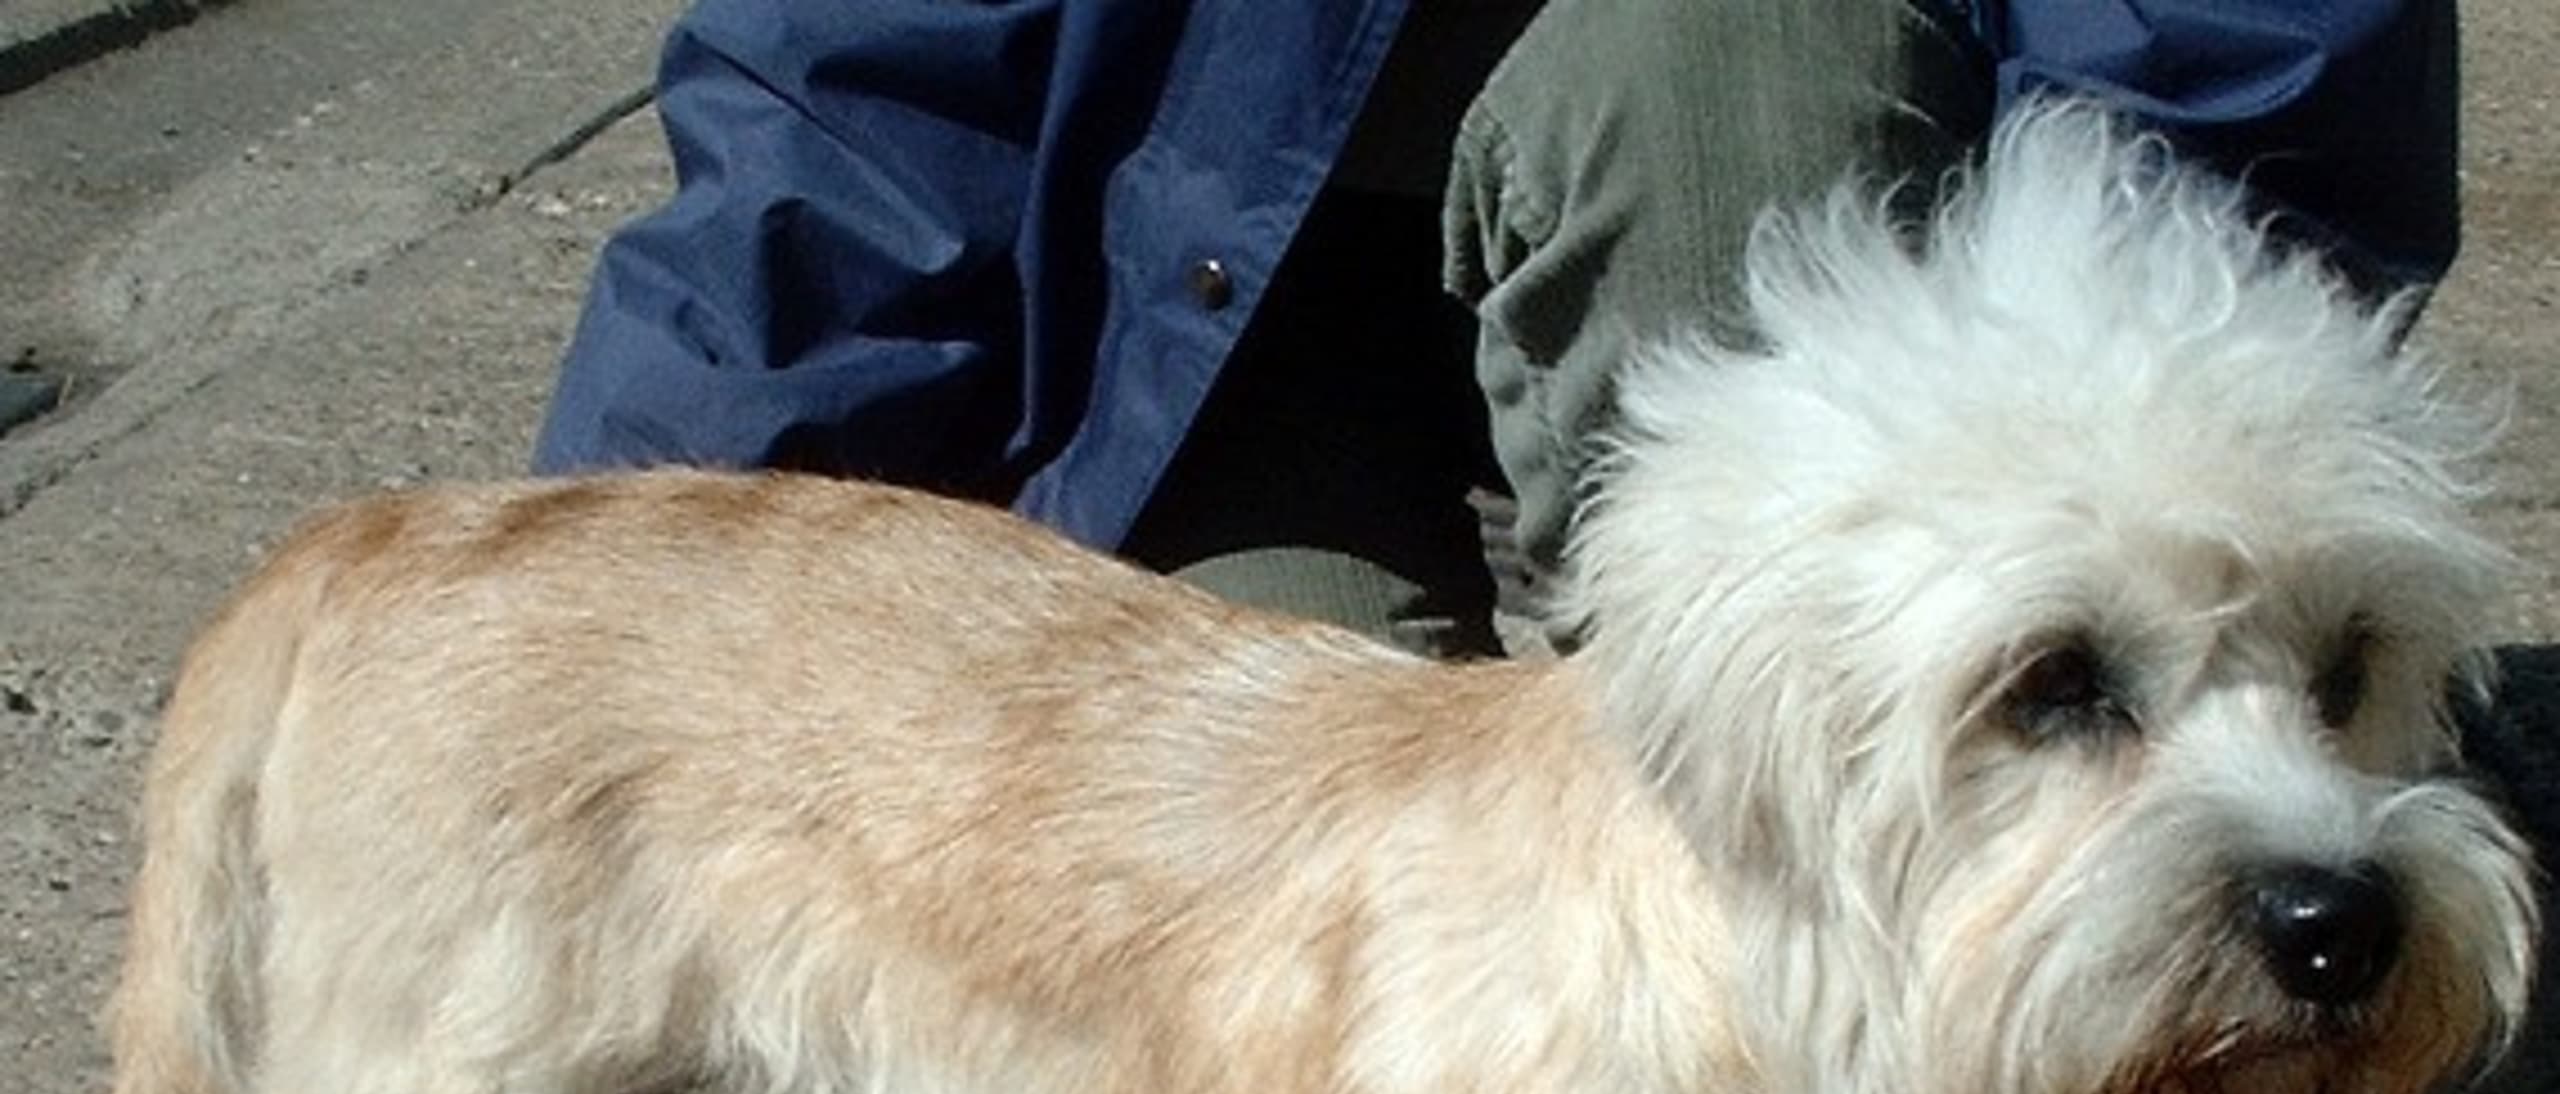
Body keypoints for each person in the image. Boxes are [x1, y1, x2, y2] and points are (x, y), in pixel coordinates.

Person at [533, 0, 2461, 656]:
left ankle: (1829, 869)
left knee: (1718, 58)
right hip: (1235, 294)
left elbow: (2232, 58)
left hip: (1810, 223)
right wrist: (602, 645)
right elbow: (861, 94)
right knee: (1259, 964)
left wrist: (2179, 523)